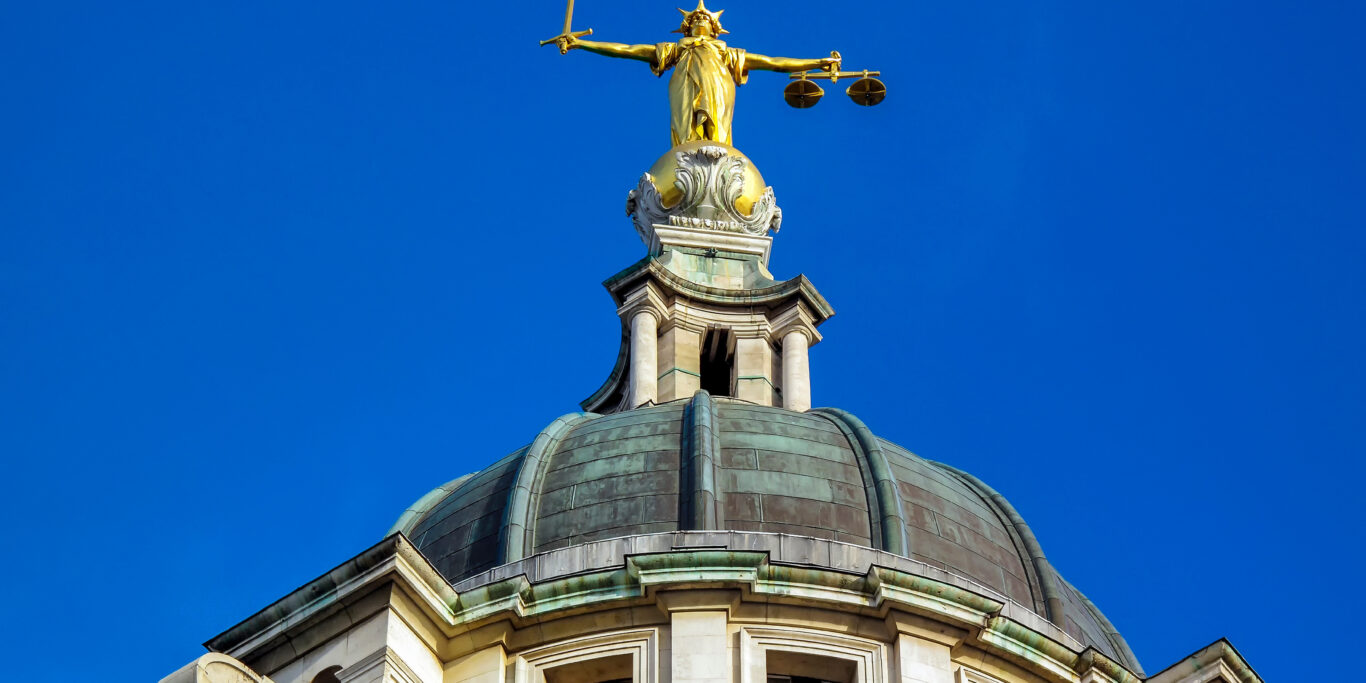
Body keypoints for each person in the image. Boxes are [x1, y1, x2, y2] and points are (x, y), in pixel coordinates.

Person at [560, 1, 838, 146]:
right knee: (685, 127)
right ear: (686, 26)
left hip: (719, 84)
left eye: (705, 19)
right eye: (695, 19)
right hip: (683, 82)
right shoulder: (676, 49)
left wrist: (817, 62)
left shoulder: (726, 52)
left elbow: (773, 61)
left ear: (716, 28)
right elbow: (628, 49)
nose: (700, 21)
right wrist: (581, 43)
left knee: (716, 128)